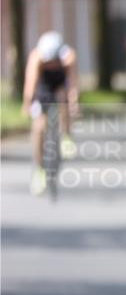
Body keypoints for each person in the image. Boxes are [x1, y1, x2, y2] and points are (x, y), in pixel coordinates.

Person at [21, 31, 79, 196]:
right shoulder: (36, 58)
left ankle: (66, 135)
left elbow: (73, 84)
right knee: (39, 125)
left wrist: (74, 102)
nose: (52, 64)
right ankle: (39, 169)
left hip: (60, 83)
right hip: (44, 85)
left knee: (64, 101)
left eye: (54, 61)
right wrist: (27, 104)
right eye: (49, 62)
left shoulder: (69, 57)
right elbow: (30, 85)